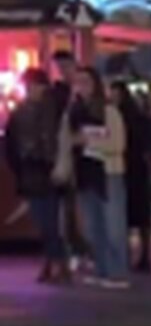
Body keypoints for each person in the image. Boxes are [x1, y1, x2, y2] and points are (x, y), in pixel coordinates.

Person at [5, 69, 68, 283]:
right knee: (44, 221)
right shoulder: (38, 111)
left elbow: (12, 145)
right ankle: (54, 261)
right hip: (35, 170)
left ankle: (55, 262)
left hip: (43, 170)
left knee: (48, 221)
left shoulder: (42, 110)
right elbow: (11, 145)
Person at [68, 67, 128, 289]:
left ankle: (117, 272)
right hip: (85, 175)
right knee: (93, 227)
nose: (82, 87)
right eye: (78, 82)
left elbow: (118, 144)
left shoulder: (109, 111)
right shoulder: (74, 112)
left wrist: (89, 142)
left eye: (86, 81)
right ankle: (102, 269)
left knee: (113, 226)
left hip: (108, 173)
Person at [110, 81, 151, 273]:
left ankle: (127, 254)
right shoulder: (139, 118)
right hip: (137, 168)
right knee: (140, 215)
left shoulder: (116, 117)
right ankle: (143, 255)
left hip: (126, 168)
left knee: (126, 214)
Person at [49, 49, 86, 266]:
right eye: (60, 68)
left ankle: (79, 247)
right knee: (68, 207)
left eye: (66, 67)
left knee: (78, 206)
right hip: (65, 154)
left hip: (83, 155)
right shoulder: (55, 95)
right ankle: (74, 248)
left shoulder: (81, 92)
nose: (63, 72)